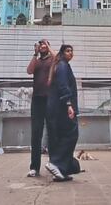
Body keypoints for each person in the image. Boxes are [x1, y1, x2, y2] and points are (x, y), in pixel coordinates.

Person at [44, 44, 80, 182]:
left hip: (55, 108)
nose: (71, 53)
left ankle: (61, 170)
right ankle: (57, 163)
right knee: (71, 134)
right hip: (63, 107)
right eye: (68, 51)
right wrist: (69, 104)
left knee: (59, 137)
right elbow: (63, 85)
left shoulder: (59, 65)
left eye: (72, 51)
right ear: (62, 53)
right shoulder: (63, 66)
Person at [26, 39, 53, 177]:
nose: (42, 46)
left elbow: (57, 61)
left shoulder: (52, 60)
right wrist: (34, 54)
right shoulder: (37, 60)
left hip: (50, 99)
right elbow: (29, 71)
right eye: (40, 44)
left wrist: (48, 47)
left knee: (53, 132)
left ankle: (54, 164)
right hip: (37, 100)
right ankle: (34, 167)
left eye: (45, 44)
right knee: (36, 134)